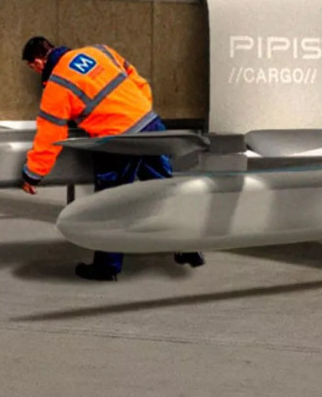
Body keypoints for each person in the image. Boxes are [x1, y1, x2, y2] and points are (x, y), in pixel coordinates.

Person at [20, 35, 205, 281]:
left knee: (111, 202)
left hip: (117, 140)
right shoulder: (99, 51)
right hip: (149, 125)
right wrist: (137, 116)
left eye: (32, 68)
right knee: (164, 190)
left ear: (38, 62)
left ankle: (107, 267)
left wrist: (33, 174)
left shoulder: (58, 84)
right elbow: (138, 81)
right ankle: (189, 247)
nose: (36, 72)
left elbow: (50, 134)